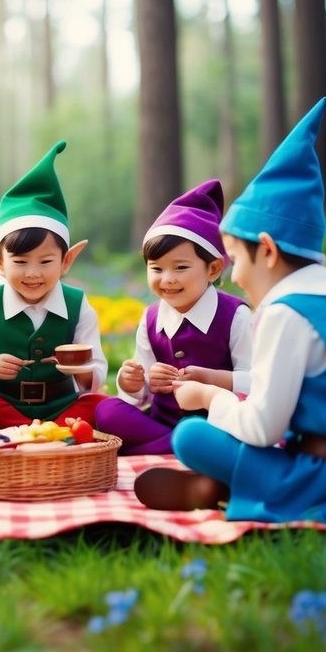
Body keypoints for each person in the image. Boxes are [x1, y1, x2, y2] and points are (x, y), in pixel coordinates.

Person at [134, 99, 326, 521]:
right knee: (213, 437)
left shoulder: (285, 313)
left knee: (191, 436)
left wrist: (210, 396)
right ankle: (222, 485)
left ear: (268, 251)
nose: (234, 277)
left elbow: (262, 428)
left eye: (237, 259)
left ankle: (229, 487)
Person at [0, 141, 113, 428]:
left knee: (103, 406)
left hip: (62, 406)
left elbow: (97, 370)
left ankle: (39, 436)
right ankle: (45, 437)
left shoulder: (77, 303)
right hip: (4, 406)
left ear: (67, 261)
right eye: (21, 262)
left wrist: (82, 372)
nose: (33, 273)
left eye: (46, 261)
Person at [95, 179, 252, 455]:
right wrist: (133, 383)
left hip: (216, 424)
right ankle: (177, 448)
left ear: (213, 269)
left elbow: (256, 382)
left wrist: (214, 379)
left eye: (180, 267)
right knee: (106, 411)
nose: (167, 279)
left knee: (226, 431)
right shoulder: (152, 318)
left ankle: (157, 449)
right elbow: (139, 395)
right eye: (156, 268)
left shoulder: (235, 316)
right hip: (162, 423)